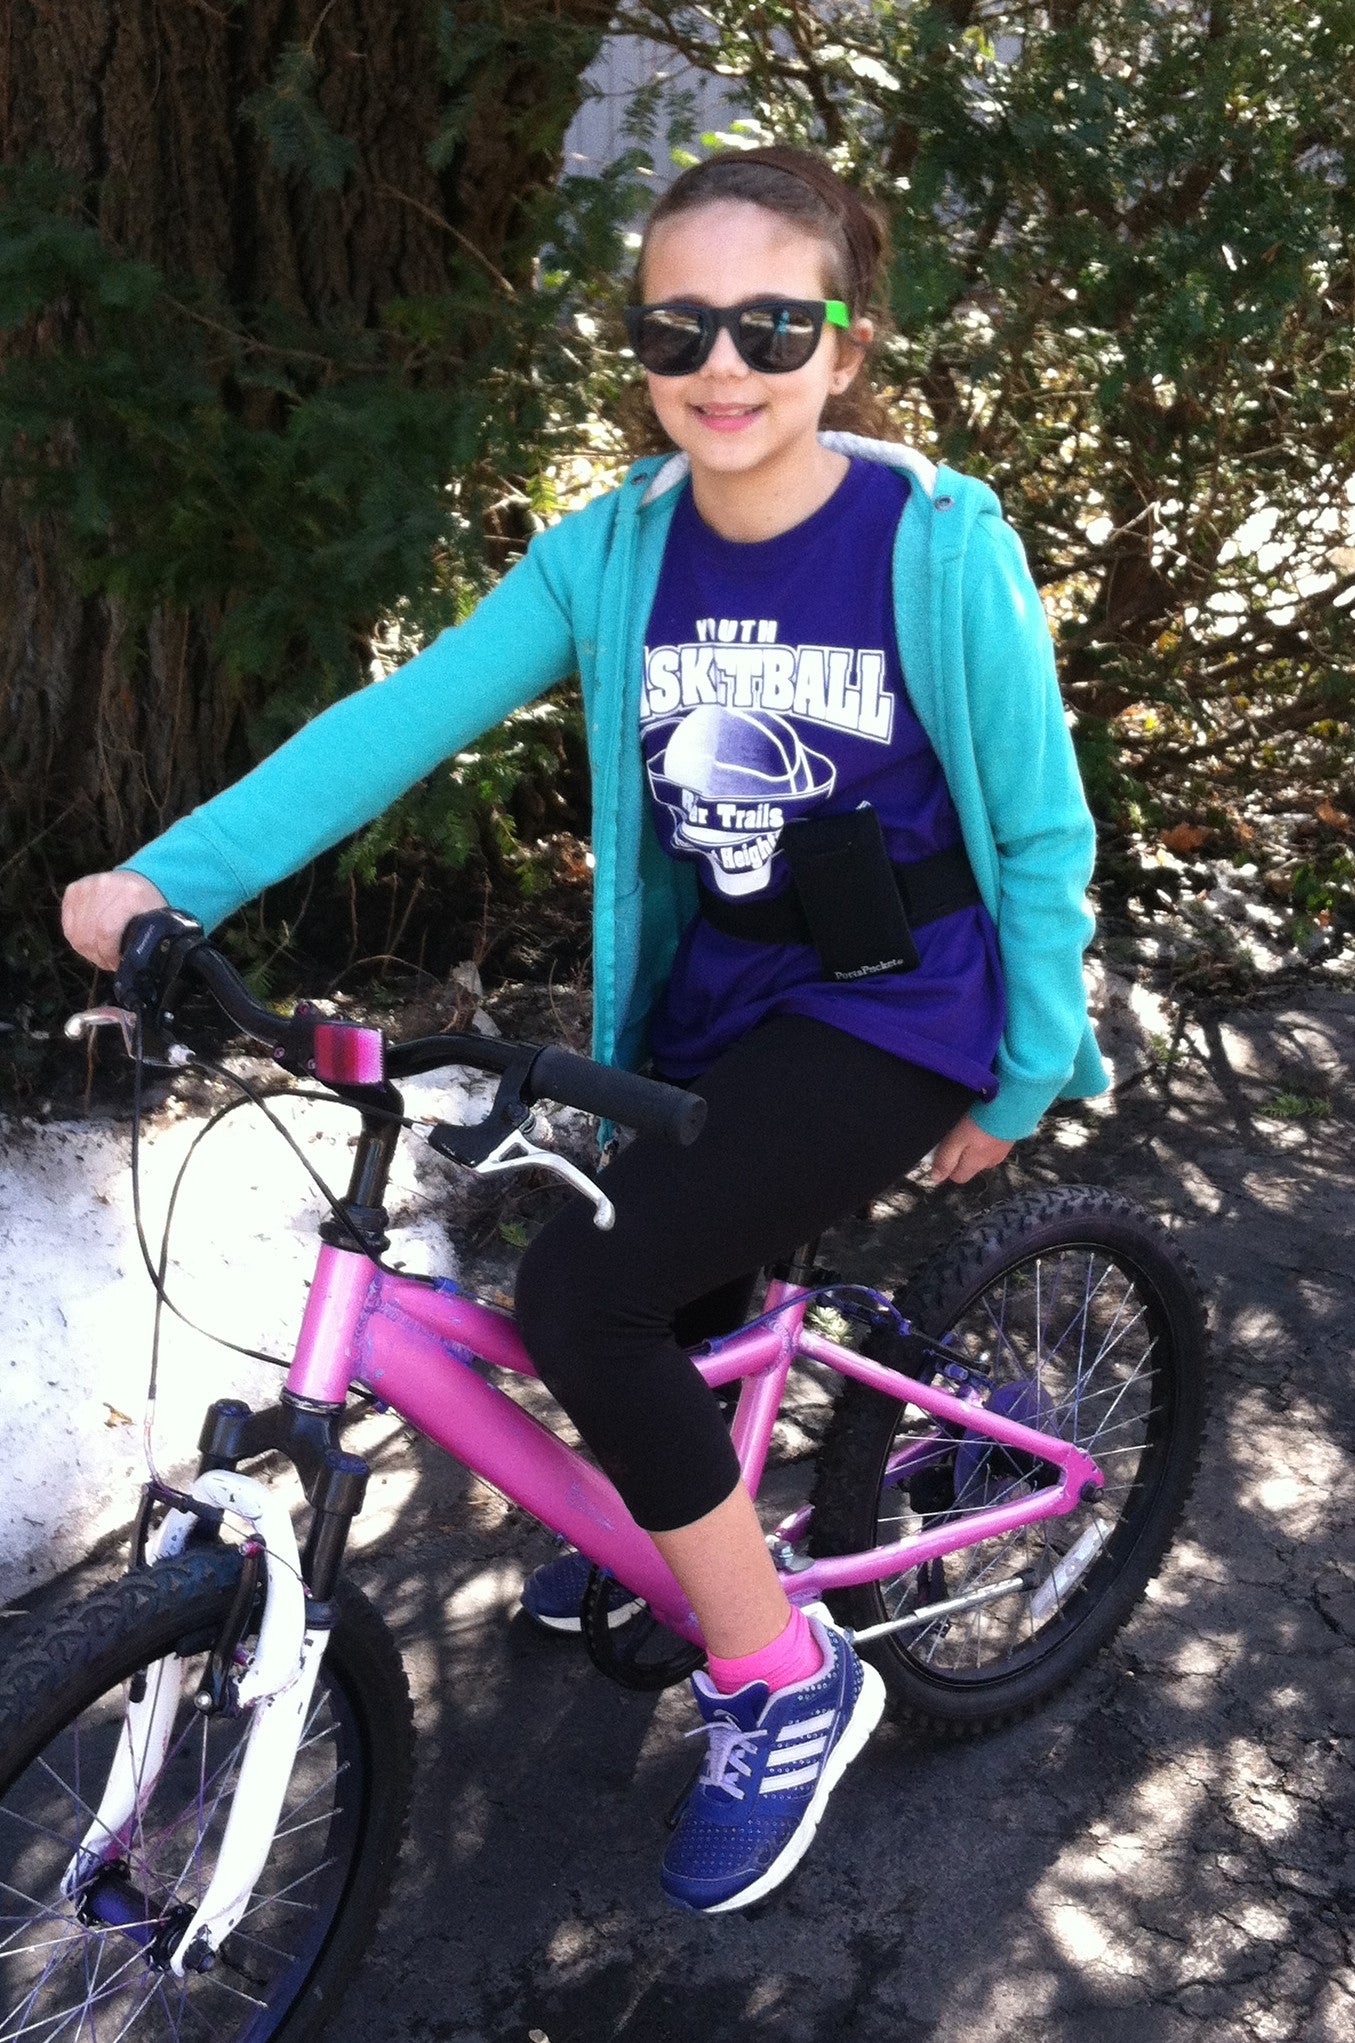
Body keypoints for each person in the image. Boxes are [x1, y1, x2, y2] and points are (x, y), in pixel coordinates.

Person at [62, 145, 1108, 1914]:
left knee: (582, 1300)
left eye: (775, 324)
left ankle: (785, 1677)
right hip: (715, 1000)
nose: (726, 363)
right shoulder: (613, 552)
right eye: (678, 324)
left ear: (843, 348)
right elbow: (401, 718)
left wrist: (1031, 1057)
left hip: (900, 1005)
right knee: (646, 1286)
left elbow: (1038, 823)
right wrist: (172, 880)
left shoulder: (936, 546)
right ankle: (685, 1530)